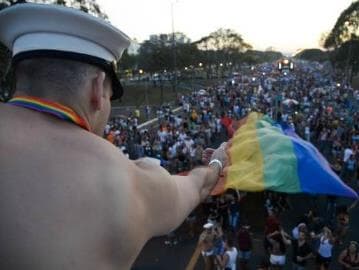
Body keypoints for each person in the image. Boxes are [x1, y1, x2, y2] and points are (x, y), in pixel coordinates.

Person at [0, 4, 228, 269]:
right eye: (110, 95)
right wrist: (218, 161)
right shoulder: (124, 180)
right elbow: (197, 186)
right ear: (97, 89)